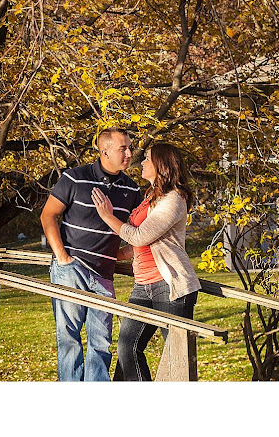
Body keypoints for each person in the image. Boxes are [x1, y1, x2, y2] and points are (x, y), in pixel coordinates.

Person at [91, 143, 201, 381]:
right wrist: (112, 255)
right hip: (143, 285)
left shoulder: (174, 200)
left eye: (148, 159)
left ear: (162, 166)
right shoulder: (151, 197)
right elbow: (140, 245)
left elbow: (141, 236)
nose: (141, 162)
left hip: (169, 286)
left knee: (176, 358)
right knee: (127, 347)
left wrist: (107, 217)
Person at [40, 127, 143, 381]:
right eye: (123, 148)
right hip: (70, 270)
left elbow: (141, 231)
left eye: (130, 147)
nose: (130, 153)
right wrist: (63, 259)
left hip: (104, 276)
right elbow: (48, 215)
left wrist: (118, 254)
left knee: (101, 343)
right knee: (69, 341)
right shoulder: (75, 178)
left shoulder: (132, 190)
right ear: (104, 150)